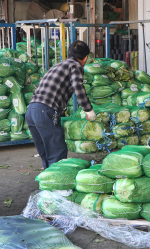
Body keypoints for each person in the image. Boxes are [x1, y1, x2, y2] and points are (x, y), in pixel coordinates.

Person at [26, 40, 96, 169]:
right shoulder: (75, 65)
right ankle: (57, 187)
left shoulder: (58, 65)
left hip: (31, 110)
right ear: (85, 57)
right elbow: (78, 87)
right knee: (57, 152)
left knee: (46, 153)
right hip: (45, 111)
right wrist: (88, 110)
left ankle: (48, 184)